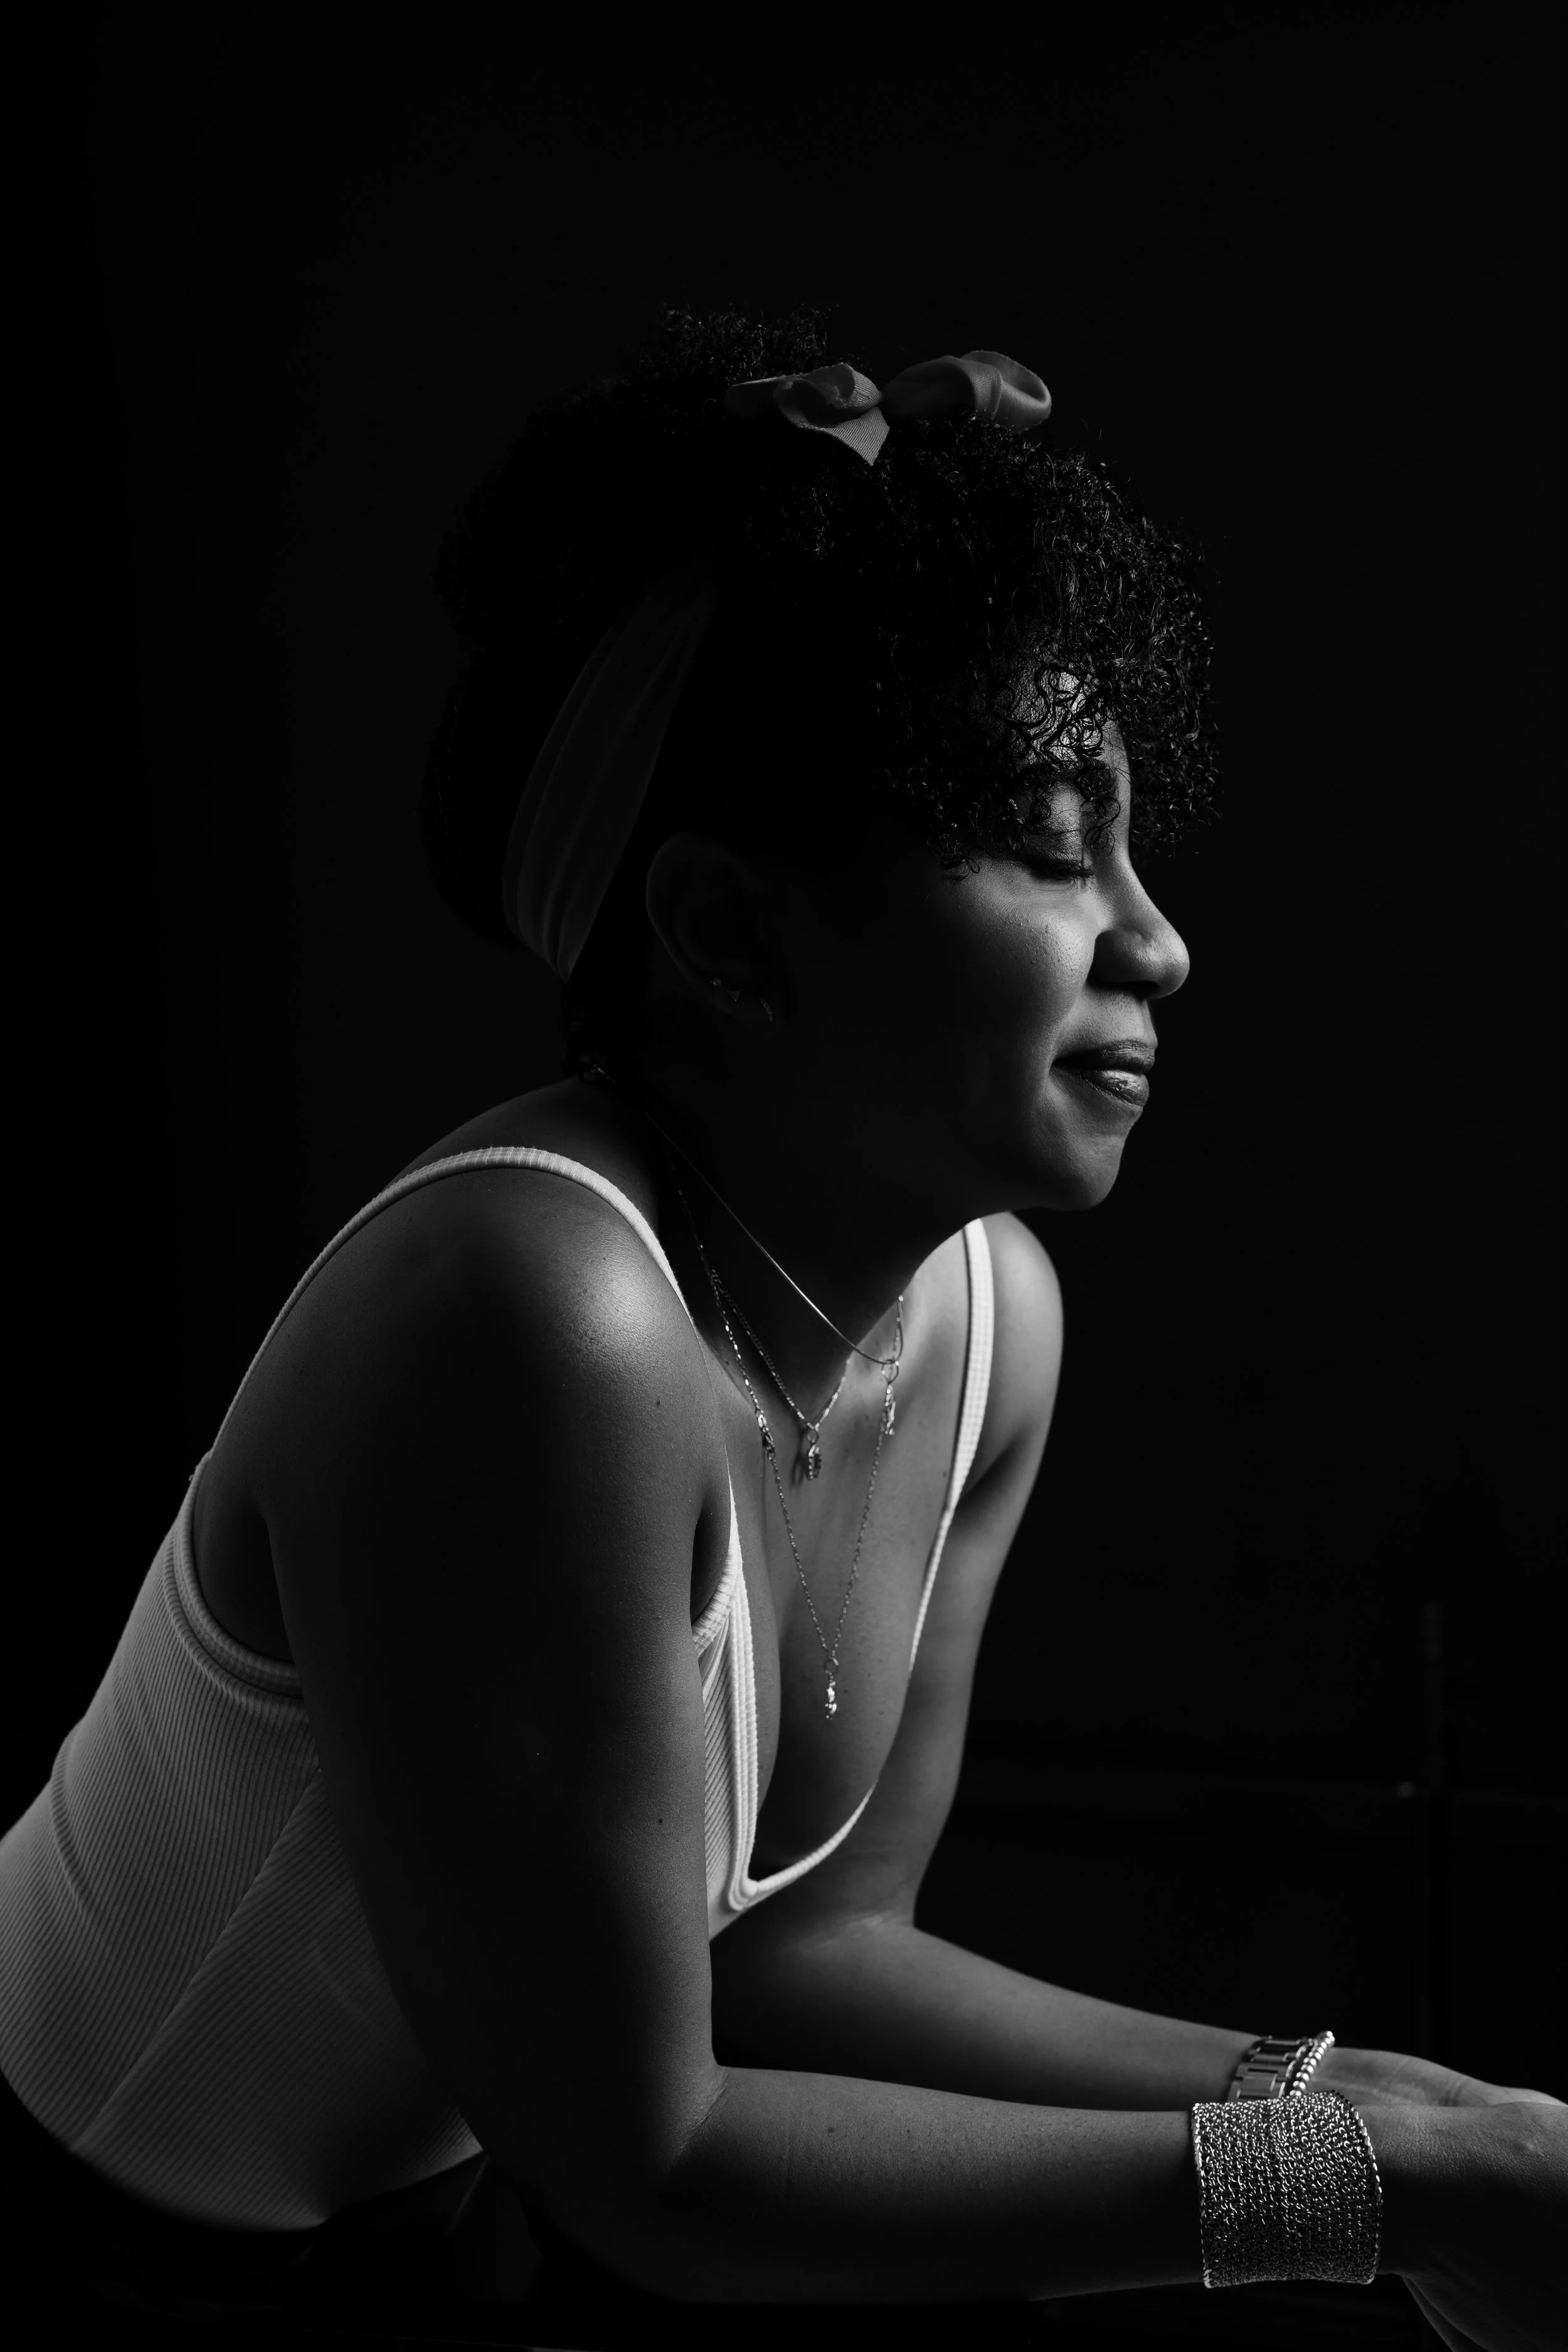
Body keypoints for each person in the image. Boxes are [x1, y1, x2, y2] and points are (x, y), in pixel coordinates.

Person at [1, 307, 1561, 2346]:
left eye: (1129, 836)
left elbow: (799, 1957)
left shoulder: (990, 1313)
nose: (1155, 939)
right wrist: (1365, 2189)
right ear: (730, 933)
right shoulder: (531, 1313)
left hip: (439, 2244)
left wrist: (1368, 2094)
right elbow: (650, 2161)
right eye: (1038, 843)